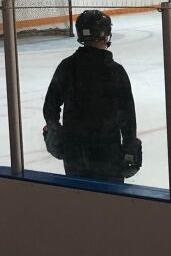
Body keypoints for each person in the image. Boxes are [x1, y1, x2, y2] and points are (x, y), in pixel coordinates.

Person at [42, 10, 141, 182]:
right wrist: (129, 146)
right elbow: (127, 114)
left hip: (74, 152)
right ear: (106, 35)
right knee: (109, 201)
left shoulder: (67, 66)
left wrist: (54, 129)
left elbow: (50, 106)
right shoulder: (115, 71)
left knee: (78, 199)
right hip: (107, 153)